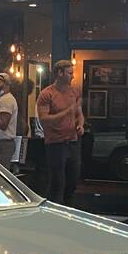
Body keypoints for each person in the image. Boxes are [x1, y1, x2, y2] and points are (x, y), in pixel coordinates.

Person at [36, 59, 84, 206]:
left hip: (72, 141)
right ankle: (54, 207)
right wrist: (67, 112)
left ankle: (68, 207)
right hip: (55, 143)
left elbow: (79, 114)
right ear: (59, 73)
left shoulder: (73, 92)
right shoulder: (47, 94)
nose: (73, 76)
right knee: (57, 181)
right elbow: (44, 120)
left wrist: (80, 125)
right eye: (70, 73)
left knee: (73, 178)